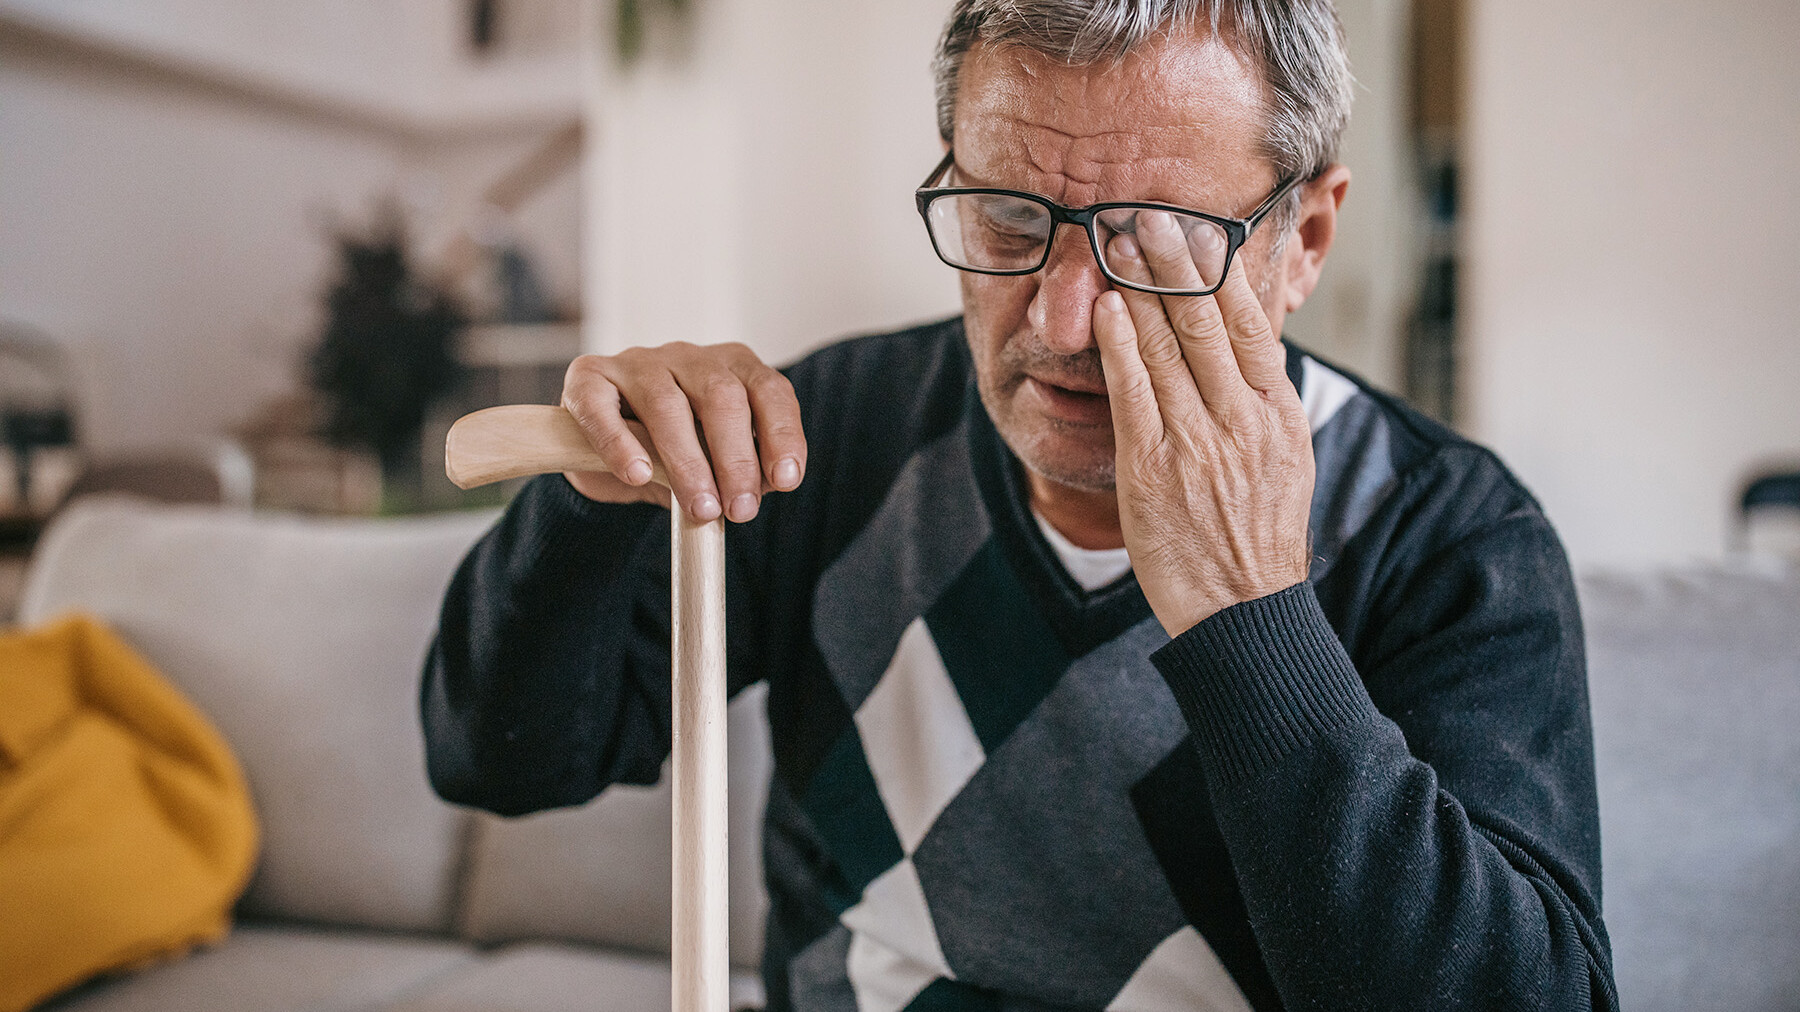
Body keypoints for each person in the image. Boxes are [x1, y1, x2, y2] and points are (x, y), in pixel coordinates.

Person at [422, 1, 1616, 1008]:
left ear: (1301, 240)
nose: (1057, 322)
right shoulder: (822, 434)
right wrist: (591, 509)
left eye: (1153, 246)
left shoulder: (1451, 534)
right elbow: (495, 758)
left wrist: (1250, 612)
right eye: (1006, 220)